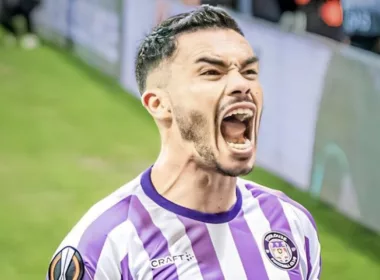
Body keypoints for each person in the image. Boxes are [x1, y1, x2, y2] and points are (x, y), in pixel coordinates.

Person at [47, 5, 322, 280]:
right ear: (159, 104)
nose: (242, 84)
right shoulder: (106, 243)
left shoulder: (290, 221)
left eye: (249, 72)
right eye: (212, 72)